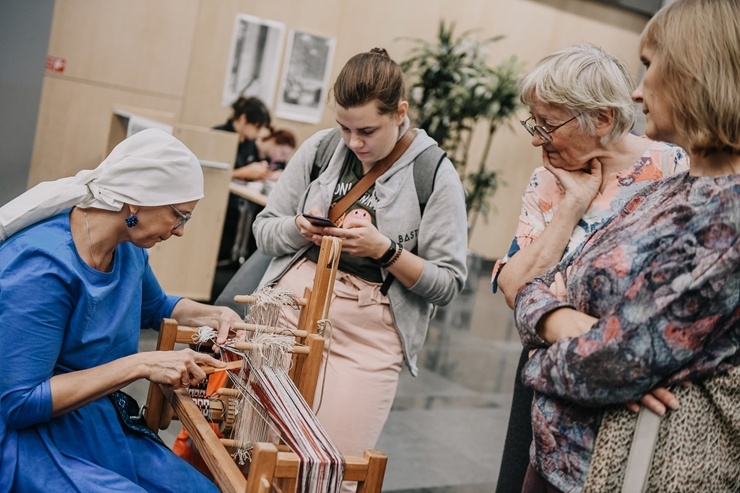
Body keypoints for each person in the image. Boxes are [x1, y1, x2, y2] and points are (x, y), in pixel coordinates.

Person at [515, 1, 739, 490]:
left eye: (649, 65)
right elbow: (537, 288)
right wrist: (563, 319)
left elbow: (612, 363)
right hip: (559, 460)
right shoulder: (669, 191)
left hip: (616, 471)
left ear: (696, 73)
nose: (637, 92)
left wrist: (544, 335)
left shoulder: (726, 215)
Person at [251, 48, 468, 474]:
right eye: (344, 128)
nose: (354, 142)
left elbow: (447, 284)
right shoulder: (321, 149)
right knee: (257, 455)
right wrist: (300, 228)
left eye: (367, 130)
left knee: (331, 471)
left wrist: (385, 251)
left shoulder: (434, 174)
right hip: (289, 310)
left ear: (400, 112)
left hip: (369, 335)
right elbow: (264, 230)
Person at [489, 43, 690, 493]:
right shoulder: (549, 178)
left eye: (548, 124)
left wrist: (555, 294)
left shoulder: (674, 167)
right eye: (534, 122)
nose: (537, 138)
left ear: (601, 119)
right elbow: (512, 286)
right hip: (547, 365)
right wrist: (572, 206)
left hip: (631, 378)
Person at [0, 128, 243, 493]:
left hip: (88, 415)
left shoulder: (127, 248)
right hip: (29, 437)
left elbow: (156, 305)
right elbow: (20, 403)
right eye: (179, 216)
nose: (179, 231)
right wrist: (141, 364)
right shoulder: (41, 267)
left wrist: (215, 315)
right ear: (138, 202)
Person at [214, 96, 272, 263]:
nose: (258, 133)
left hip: (239, 204)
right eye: (257, 126)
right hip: (220, 207)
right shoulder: (220, 136)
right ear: (243, 119)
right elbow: (214, 176)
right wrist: (244, 172)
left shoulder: (249, 143)